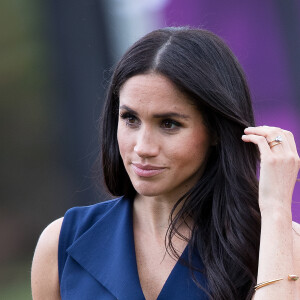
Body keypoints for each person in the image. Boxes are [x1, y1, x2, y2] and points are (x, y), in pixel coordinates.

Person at [31, 27, 300, 300]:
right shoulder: (60, 244)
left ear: (216, 131)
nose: (143, 147)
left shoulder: (280, 241)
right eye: (130, 119)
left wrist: (276, 209)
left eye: (169, 124)